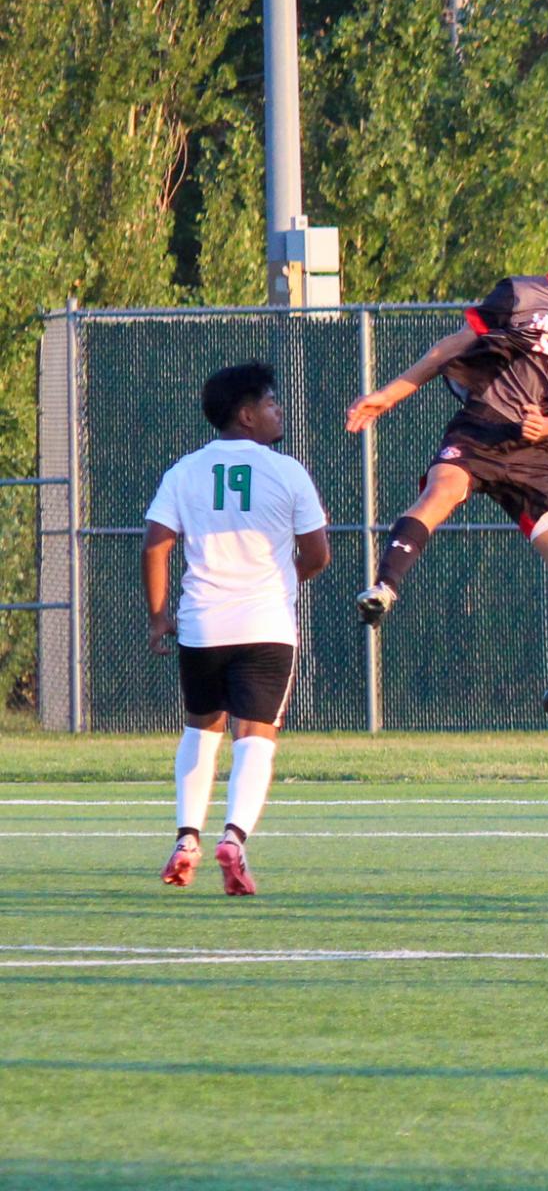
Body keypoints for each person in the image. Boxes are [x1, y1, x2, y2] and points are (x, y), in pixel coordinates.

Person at [345, 194, 548, 760]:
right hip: (481, 429)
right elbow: (448, 349)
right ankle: (384, 587)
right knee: (443, 490)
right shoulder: (520, 293)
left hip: (532, 453)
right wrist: (387, 396)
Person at [143, 362, 329, 896]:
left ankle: (185, 840)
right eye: (270, 403)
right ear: (245, 416)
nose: (278, 411)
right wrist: (281, 579)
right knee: (256, 735)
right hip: (267, 624)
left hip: (202, 624)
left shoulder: (184, 472)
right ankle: (234, 837)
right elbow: (317, 554)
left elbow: (156, 545)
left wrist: (160, 616)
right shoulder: (288, 471)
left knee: (202, 728)